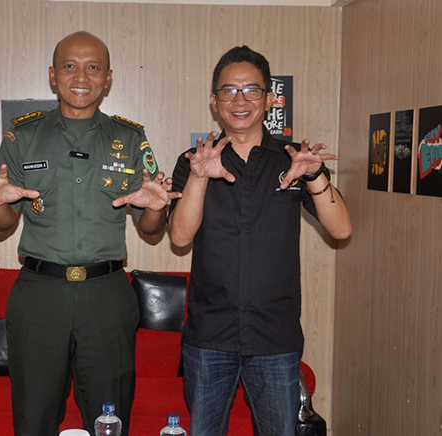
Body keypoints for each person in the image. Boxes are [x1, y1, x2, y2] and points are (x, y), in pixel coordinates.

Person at [0, 31, 178, 436]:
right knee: (34, 419)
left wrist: (156, 209)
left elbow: (150, 231)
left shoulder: (130, 138)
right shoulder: (22, 136)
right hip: (39, 296)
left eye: (93, 67)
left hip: (107, 297)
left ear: (108, 78)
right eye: (69, 66)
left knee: (109, 419)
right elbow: (4, 225)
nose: (81, 77)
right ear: (53, 75)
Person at [167, 46, 353, 436]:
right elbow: (180, 238)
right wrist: (199, 178)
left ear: (269, 99)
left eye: (252, 90)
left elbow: (341, 230)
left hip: (275, 334)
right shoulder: (193, 161)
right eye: (229, 91)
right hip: (210, 333)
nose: (240, 101)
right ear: (214, 100)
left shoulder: (292, 160)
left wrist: (315, 176)